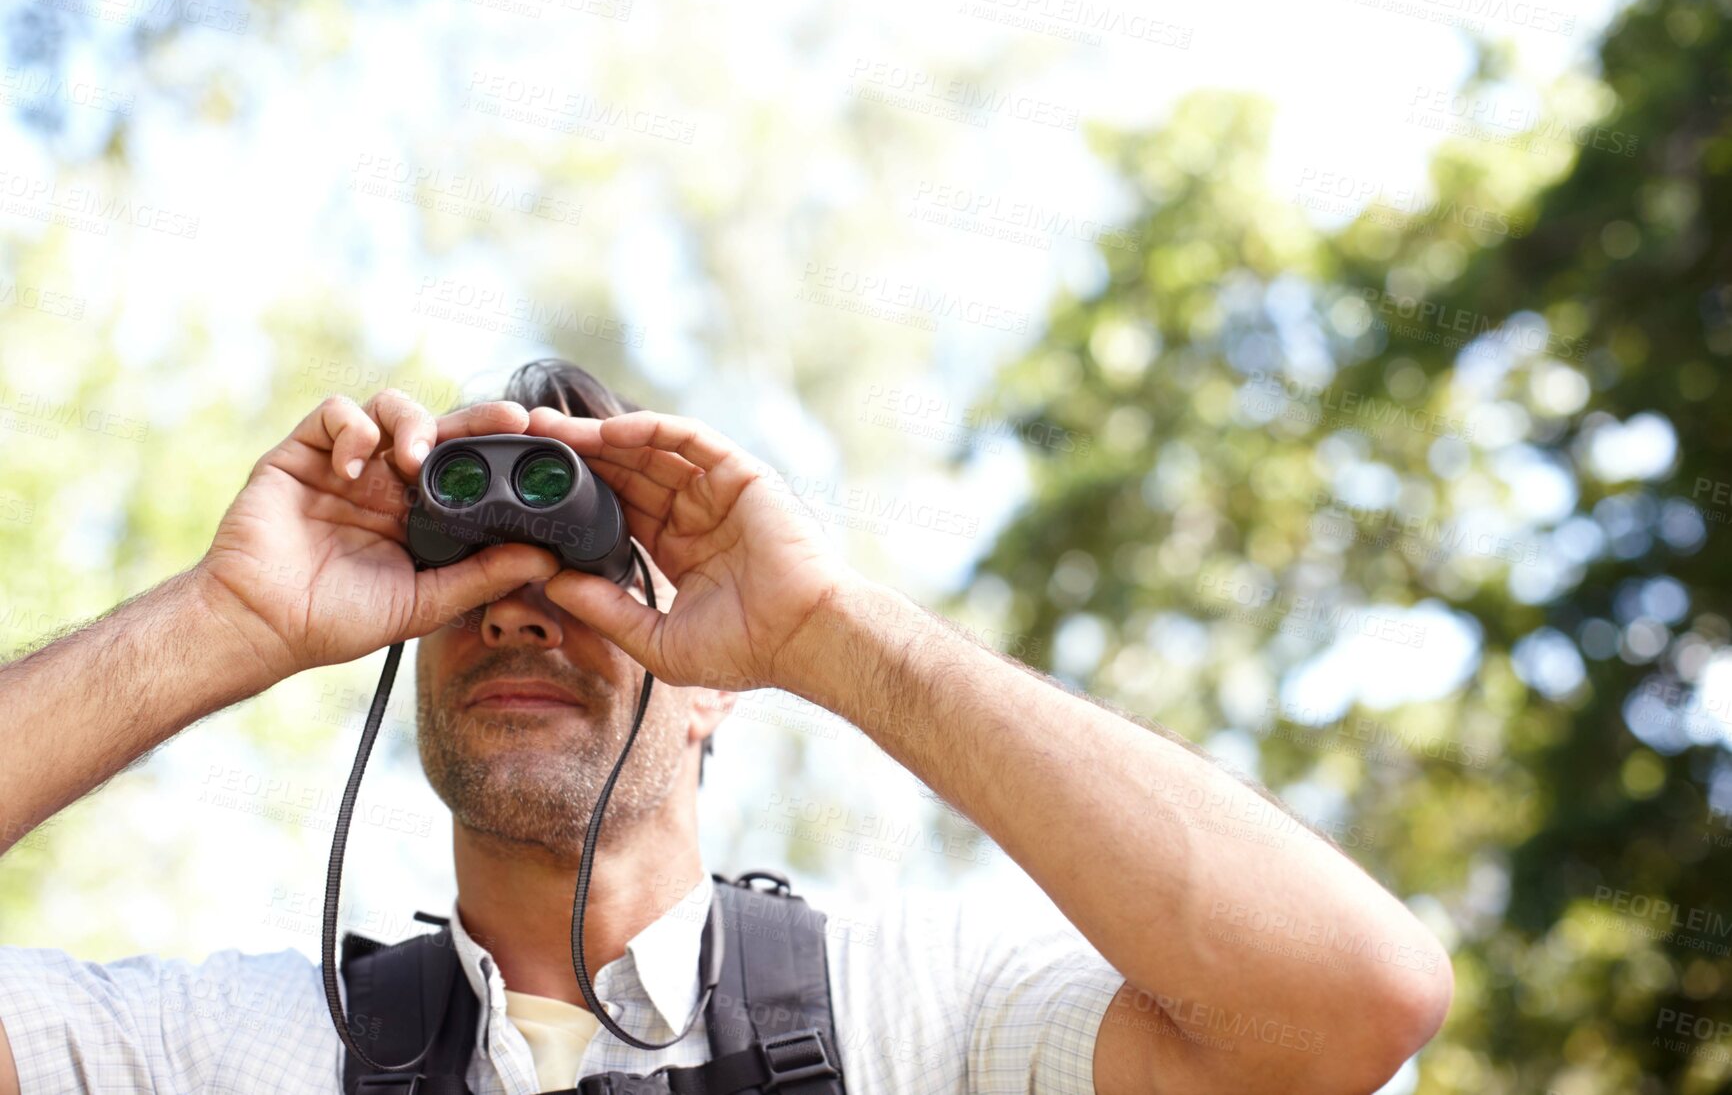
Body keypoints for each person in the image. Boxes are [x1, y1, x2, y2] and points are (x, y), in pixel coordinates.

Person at [0, 358, 1452, 1094]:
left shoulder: (919, 1021)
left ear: (713, 677)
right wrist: (224, 617)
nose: (521, 613)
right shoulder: (247, 1050)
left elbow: (1348, 1004)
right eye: (472, 575)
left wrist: (830, 631)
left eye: (591, 573)